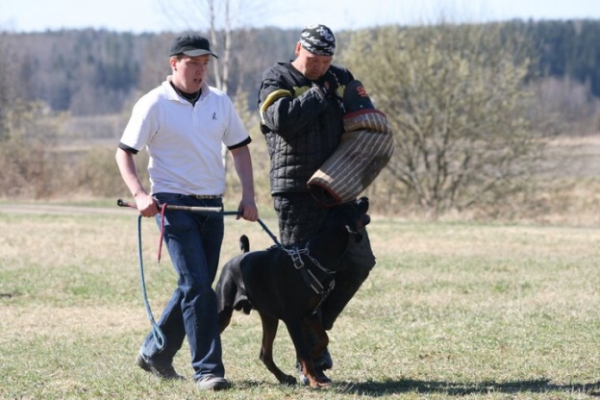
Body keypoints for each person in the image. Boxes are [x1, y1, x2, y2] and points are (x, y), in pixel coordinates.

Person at [115, 33, 258, 391]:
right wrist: (139, 194)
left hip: (212, 206)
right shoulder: (153, 104)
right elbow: (124, 152)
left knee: (194, 285)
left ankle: (154, 351)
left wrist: (249, 196)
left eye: (205, 64)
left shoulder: (220, 102)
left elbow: (240, 150)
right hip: (171, 205)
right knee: (198, 286)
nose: (200, 71)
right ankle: (208, 370)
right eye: (193, 63)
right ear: (174, 63)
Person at [257, 24, 377, 383]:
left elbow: (363, 114)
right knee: (300, 280)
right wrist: (319, 93)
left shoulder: (340, 77)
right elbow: (282, 121)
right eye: (313, 60)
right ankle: (309, 355)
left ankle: (315, 333)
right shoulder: (277, 77)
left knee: (358, 261)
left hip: (339, 189)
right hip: (296, 192)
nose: (320, 67)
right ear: (298, 49)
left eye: (327, 61)